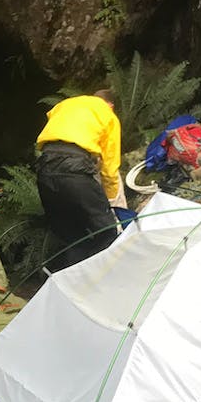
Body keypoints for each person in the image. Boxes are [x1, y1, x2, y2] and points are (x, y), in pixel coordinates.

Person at [35, 89, 122, 269]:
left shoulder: (65, 105)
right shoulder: (108, 115)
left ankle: (71, 282)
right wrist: (111, 199)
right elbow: (110, 166)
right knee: (107, 231)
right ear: (111, 106)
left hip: (44, 170)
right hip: (75, 172)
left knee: (73, 237)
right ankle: (103, 279)